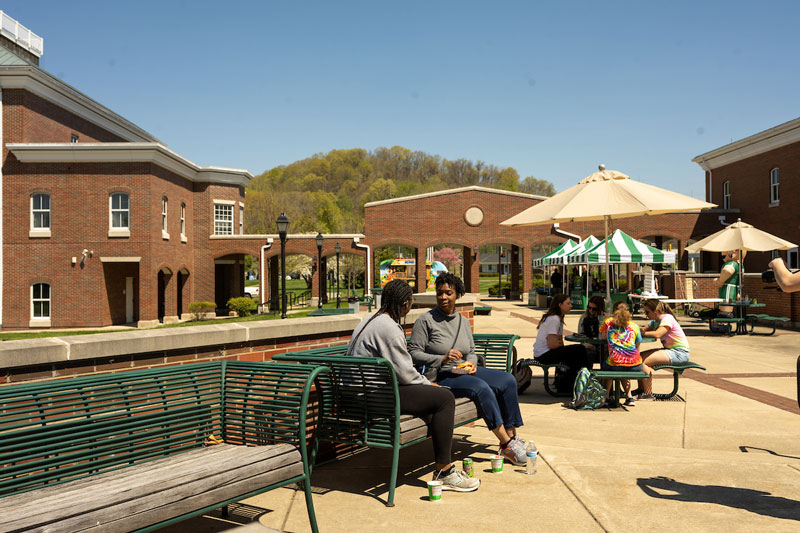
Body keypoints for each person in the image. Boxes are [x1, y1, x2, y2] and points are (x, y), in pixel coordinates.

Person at [348, 279, 480, 492]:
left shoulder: (370, 320)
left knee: (432, 403)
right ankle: (444, 471)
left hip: (358, 393)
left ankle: (442, 464)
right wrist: (429, 384)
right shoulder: (389, 328)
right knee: (444, 399)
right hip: (374, 396)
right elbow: (405, 372)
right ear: (405, 303)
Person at [409, 273, 526, 466]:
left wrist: (472, 363)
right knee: (481, 388)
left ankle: (513, 439)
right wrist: (442, 358)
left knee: (507, 380)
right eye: (440, 293)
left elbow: (471, 351)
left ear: (457, 295)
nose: (443, 297)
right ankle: (506, 444)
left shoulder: (463, 321)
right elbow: (414, 353)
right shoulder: (426, 320)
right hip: (441, 375)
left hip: (465, 371)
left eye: (448, 293)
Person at [533, 294, 591, 393]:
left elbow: (559, 342)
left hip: (547, 352)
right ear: (560, 305)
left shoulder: (558, 319)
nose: (571, 306)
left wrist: (558, 342)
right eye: (568, 303)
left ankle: (571, 384)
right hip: (543, 355)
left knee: (577, 353)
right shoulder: (554, 319)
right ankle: (583, 383)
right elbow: (552, 344)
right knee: (580, 349)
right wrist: (557, 342)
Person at [637, 299, 691, 400]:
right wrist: (638, 330)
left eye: (647, 312)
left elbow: (657, 334)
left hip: (679, 353)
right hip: (670, 350)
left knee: (641, 361)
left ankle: (648, 394)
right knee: (637, 358)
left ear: (656, 311)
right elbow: (645, 329)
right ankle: (641, 389)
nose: (646, 315)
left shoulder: (667, 318)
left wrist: (640, 333)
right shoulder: (655, 321)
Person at [599, 302, 647, 406]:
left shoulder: (607, 323)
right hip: (636, 364)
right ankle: (629, 397)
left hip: (615, 363)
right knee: (623, 364)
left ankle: (606, 396)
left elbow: (603, 337)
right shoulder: (634, 326)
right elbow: (637, 345)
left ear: (614, 312)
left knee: (611, 364)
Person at [699, 250, 744, 320]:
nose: (723, 259)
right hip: (734, 289)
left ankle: (723, 325)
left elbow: (727, 270)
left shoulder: (732, 263)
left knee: (725, 311)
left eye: (724, 256)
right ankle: (722, 322)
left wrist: (720, 281)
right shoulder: (740, 265)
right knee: (724, 308)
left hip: (728, 290)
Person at [576, 295, 606, 364]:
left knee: (605, 351)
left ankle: (604, 371)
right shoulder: (584, 317)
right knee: (587, 350)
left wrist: (601, 320)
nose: (591, 310)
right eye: (589, 308)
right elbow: (580, 333)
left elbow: (602, 336)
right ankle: (588, 371)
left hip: (602, 345)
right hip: (588, 343)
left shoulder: (604, 318)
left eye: (594, 309)